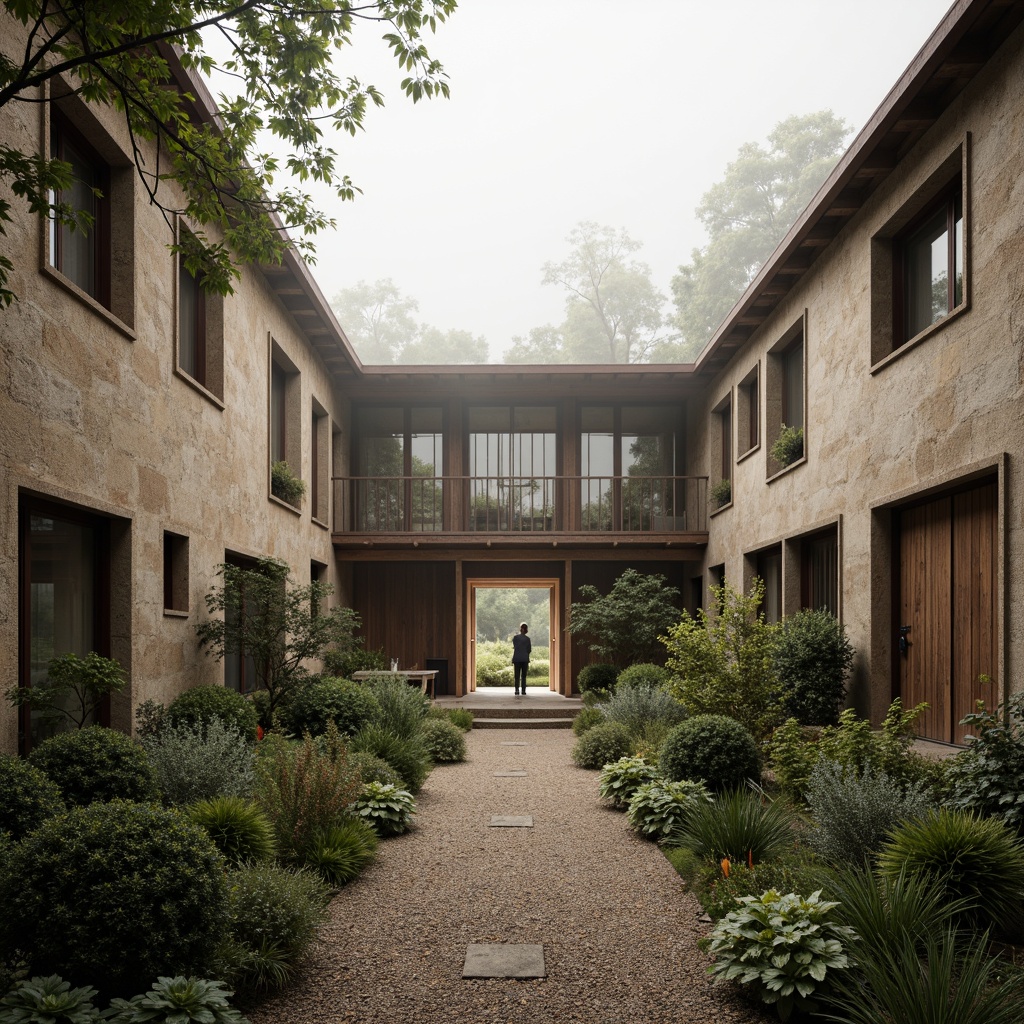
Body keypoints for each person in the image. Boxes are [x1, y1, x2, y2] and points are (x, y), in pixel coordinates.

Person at [511, 622, 531, 696]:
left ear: (521, 629)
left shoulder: (516, 638)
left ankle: (516, 690)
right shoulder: (528, 639)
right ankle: (523, 690)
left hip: (517, 659)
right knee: (524, 676)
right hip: (525, 659)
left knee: (517, 675)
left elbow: (515, 646)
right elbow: (529, 649)